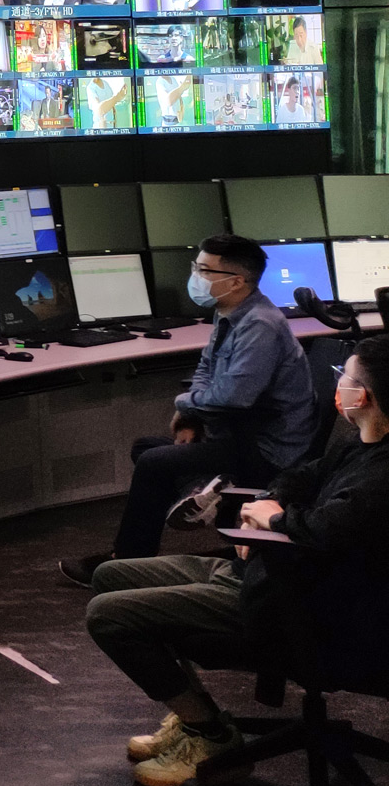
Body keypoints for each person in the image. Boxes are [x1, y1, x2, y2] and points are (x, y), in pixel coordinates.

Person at [83, 337, 389, 786]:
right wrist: (268, 500)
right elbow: (301, 476)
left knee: (108, 616)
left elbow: (325, 531)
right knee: (110, 576)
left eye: (343, 375)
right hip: (270, 573)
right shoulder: (360, 444)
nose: (337, 383)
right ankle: (194, 720)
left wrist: (273, 520)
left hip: (301, 602)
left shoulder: (381, 476)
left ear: (361, 396)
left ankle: (208, 734)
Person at [61, 234, 320, 587]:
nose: (196, 276)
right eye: (196, 267)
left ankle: (127, 563)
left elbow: (234, 397)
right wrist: (192, 416)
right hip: (236, 433)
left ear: (236, 281)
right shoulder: (230, 312)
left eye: (204, 270)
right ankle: (206, 488)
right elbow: (206, 369)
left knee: (155, 462)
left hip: (265, 448)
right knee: (146, 448)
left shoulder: (259, 325)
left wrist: (184, 405)